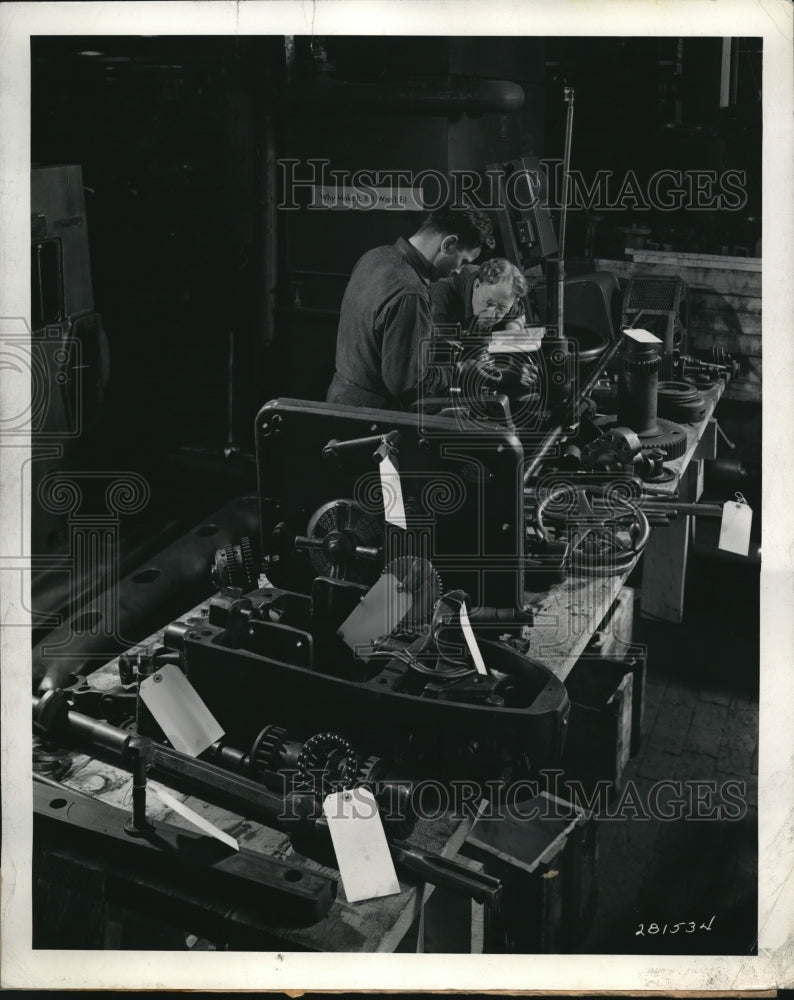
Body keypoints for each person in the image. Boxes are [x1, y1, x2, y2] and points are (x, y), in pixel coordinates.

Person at [326, 202, 495, 410]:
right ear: (449, 244)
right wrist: (462, 370)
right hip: (373, 418)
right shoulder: (411, 292)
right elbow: (411, 386)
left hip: (340, 402)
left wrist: (432, 343)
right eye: (462, 261)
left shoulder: (375, 256)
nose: (459, 271)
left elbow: (377, 337)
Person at [429, 257, 528, 338]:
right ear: (477, 285)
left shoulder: (503, 296)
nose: (491, 315)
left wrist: (512, 335)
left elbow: (518, 314)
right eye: (489, 303)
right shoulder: (441, 296)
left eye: (501, 309)